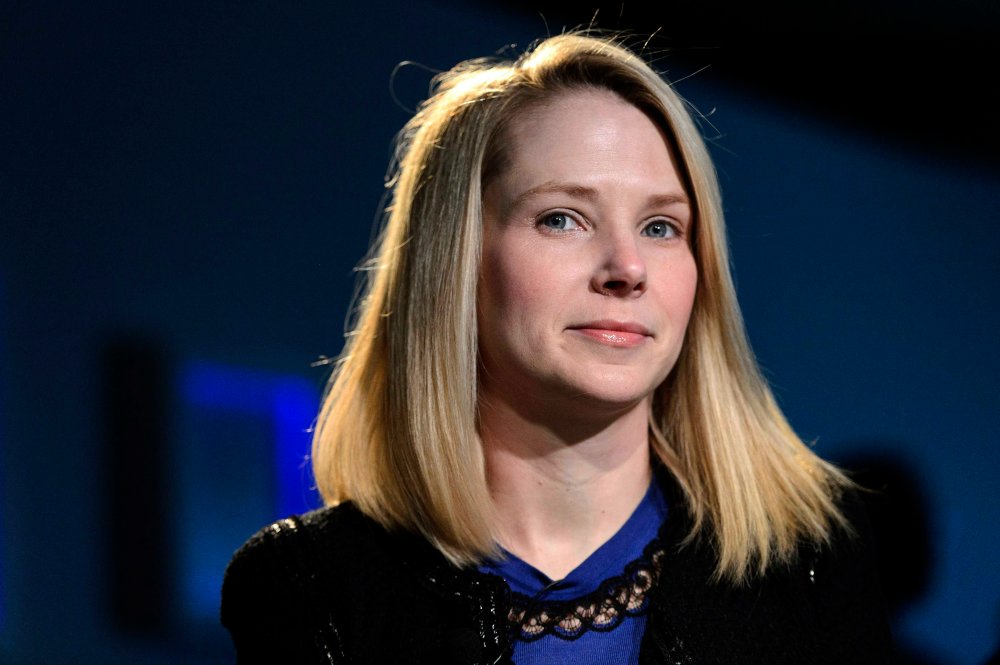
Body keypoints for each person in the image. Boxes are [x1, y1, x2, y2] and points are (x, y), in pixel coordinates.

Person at [220, 33, 891, 664]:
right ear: (456, 262)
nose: (627, 267)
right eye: (562, 218)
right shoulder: (308, 585)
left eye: (661, 226)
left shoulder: (811, 562)